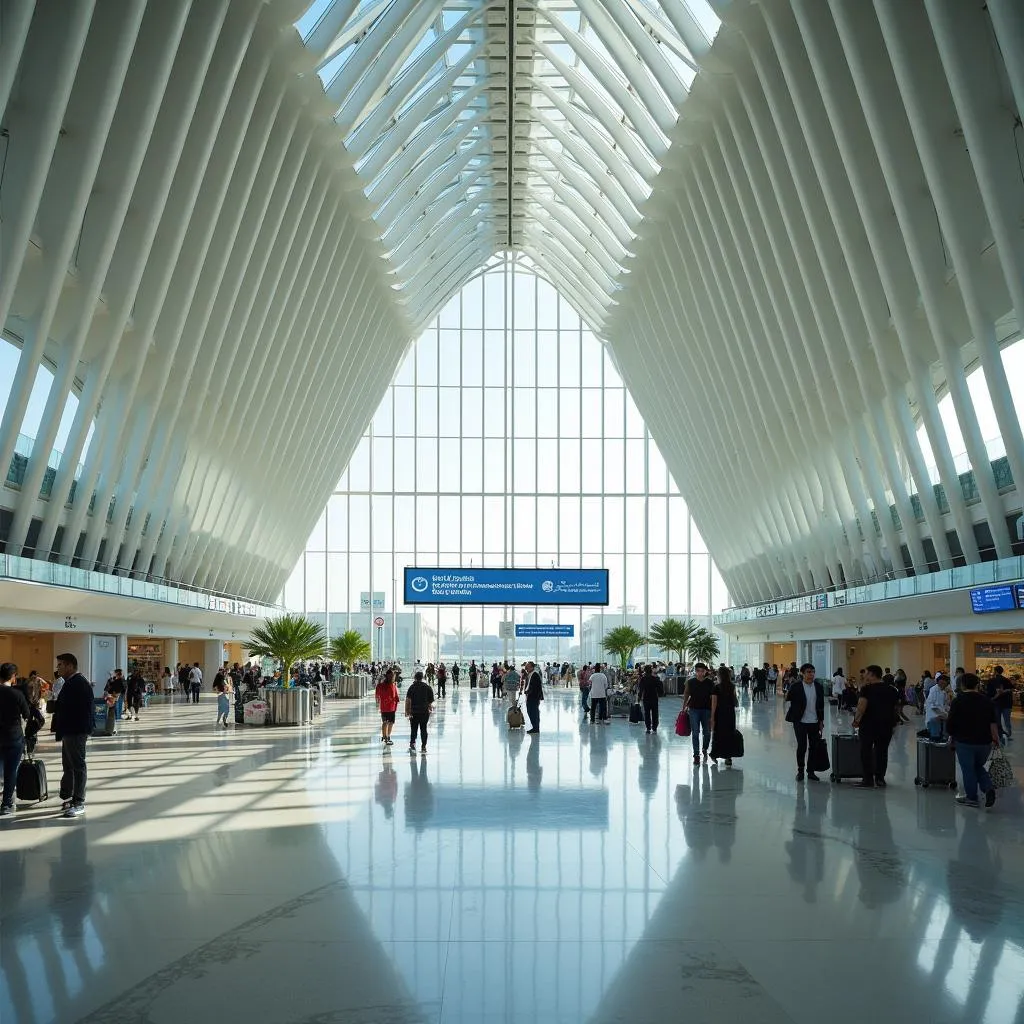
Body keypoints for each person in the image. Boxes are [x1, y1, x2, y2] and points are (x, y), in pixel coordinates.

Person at [947, 672, 1000, 808]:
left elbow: (951, 722)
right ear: (977, 684)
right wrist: (995, 737)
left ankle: (972, 798)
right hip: (984, 742)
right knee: (978, 766)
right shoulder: (986, 700)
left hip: (965, 741)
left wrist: (950, 736)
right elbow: (992, 722)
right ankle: (988, 788)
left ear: (962, 684)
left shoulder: (958, 700)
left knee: (968, 769)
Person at [53, 652, 93, 818]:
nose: (58, 668)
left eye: (60, 665)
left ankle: (79, 801)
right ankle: (69, 796)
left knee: (77, 765)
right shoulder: (72, 682)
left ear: (70, 665)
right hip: (70, 731)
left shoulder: (79, 683)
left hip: (76, 731)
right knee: (69, 765)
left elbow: (81, 710)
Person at [851, 665, 899, 789]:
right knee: (882, 752)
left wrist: (856, 720)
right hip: (886, 725)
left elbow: (862, 706)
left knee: (866, 751)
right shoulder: (892, 690)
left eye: (866, 673)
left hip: (868, 725)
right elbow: (895, 709)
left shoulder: (866, 689)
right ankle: (880, 779)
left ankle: (867, 779)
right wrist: (894, 724)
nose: (864, 675)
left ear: (872, 674)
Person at [784, 663, 825, 782]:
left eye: (813, 672)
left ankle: (811, 771)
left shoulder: (818, 686)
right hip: (800, 721)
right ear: (802, 673)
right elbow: (787, 698)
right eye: (808, 672)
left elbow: (821, 705)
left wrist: (821, 721)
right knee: (802, 746)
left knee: (814, 747)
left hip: (814, 721)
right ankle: (800, 770)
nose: (811, 674)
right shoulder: (796, 686)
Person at [0, 662, 30, 817]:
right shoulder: (17, 694)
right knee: (11, 772)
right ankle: (6, 804)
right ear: (13, 677)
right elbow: (27, 714)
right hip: (13, 737)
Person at [683, 663, 715, 765]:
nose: (700, 673)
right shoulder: (690, 682)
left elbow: (713, 698)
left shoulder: (710, 683)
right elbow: (686, 694)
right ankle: (696, 755)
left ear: (705, 671)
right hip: (694, 709)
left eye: (702, 671)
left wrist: (714, 711)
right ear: (695, 671)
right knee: (695, 732)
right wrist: (684, 706)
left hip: (707, 710)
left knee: (707, 732)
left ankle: (705, 748)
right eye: (698, 671)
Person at [710, 665, 739, 766]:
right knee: (729, 734)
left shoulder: (716, 687)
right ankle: (728, 757)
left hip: (720, 714)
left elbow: (714, 704)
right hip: (730, 714)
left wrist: (712, 717)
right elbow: (736, 702)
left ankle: (714, 754)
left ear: (719, 675)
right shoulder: (732, 686)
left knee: (718, 734)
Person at [405, 670, 434, 755]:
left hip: (414, 712)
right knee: (423, 729)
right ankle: (423, 746)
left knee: (414, 728)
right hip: (424, 712)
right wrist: (429, 707)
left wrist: (407, 711)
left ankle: (412, 743)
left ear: (415, 678)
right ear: (423, 677)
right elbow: (430, 701)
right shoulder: (427, 687)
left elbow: (408, 700)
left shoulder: (412, 687)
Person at [924, 673, 951, 742]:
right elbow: (934, 707)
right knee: (936, 734)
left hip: (940, 714)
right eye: (943, 683)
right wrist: (943, 714)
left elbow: (945, 704)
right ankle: (937, 738)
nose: (945, 685)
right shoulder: (933, 690)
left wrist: (948, 711)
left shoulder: (943, 691)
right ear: (939, 682)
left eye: (946, 684)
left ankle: (945, 737)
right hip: (934, 716)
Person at [375, 669, 399, 745]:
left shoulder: (393, 685)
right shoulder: (381, 685)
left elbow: (396, 696)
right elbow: (377, 695)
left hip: (392, 707)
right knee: (385, 722)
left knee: (391, 722)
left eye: (393, 676)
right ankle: (385, 737)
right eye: (391, 676)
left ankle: (388, 736)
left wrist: (396, 704)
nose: (392, 677)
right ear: (387, 676)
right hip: (385, 707)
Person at [637, 664, 663, 734]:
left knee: (647, 713)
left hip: (646, 698)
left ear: (645, 671)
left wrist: (639, 699)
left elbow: (641, 690)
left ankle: (648, 728)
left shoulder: (643, 679)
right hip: (654, 698)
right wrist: (660, 694)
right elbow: (660, 689)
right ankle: (654, 728)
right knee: (655, 713)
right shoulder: (655, 679)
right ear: (651, 671)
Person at [991, 668, 1013, 743]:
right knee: (1007, 720)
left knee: (998, 721)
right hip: (1007, 703)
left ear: (996, 671)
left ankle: (1000, 736)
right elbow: (1011, 690)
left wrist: (994, 697)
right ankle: (1008, 735)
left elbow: (995, 692)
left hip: (997, 703)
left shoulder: (993, 680)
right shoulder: (1007, 680)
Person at [523, 660, 544, 733]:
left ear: (531, 667)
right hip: (530, 696)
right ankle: (533, 727)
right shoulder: (530, 674)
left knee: (534, 712)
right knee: (530, 712)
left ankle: (535, 728)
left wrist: (529, 692)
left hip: (533, 697)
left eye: (527, 666)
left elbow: (536, 687)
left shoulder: (535, 674)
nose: (526, 667)